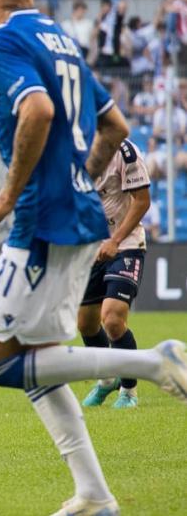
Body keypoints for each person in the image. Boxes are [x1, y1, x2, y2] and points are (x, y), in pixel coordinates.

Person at [0, 0, 187, 515]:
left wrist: (9, 195)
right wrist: (81, 177)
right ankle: (94, 493)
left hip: (42, 217)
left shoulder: (0, 41)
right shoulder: (63, 40)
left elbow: (38, 111)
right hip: (78, 215)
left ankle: (150, 362)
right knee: (40, 365)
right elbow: (116, 126)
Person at [78, 141, 151, 409]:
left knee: (112, 318)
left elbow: (143, 201)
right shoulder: (71, 150)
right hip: (91, 248)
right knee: (86, 324)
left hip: (126, 245)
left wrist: (115, 241)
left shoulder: (125, 152)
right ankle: (107, 379)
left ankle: (129, 391)